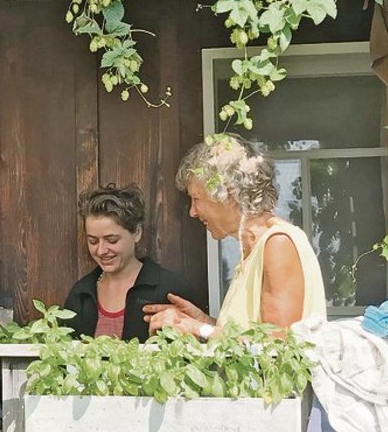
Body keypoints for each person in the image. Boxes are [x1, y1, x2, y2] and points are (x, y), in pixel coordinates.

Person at [146, 133, 326, 337]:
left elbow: (277, 344)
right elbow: (250, 338)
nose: (192, 212)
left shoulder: (278, 243)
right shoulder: (252, 252)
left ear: (228, 194)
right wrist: (203, 320)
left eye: (196, 199)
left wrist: (200, 329)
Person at [62, 184, 196, 341]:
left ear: (137, 232)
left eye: (112, 240)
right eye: (92, 241)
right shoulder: (81, 293)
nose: (101, 250)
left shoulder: (171, 288)